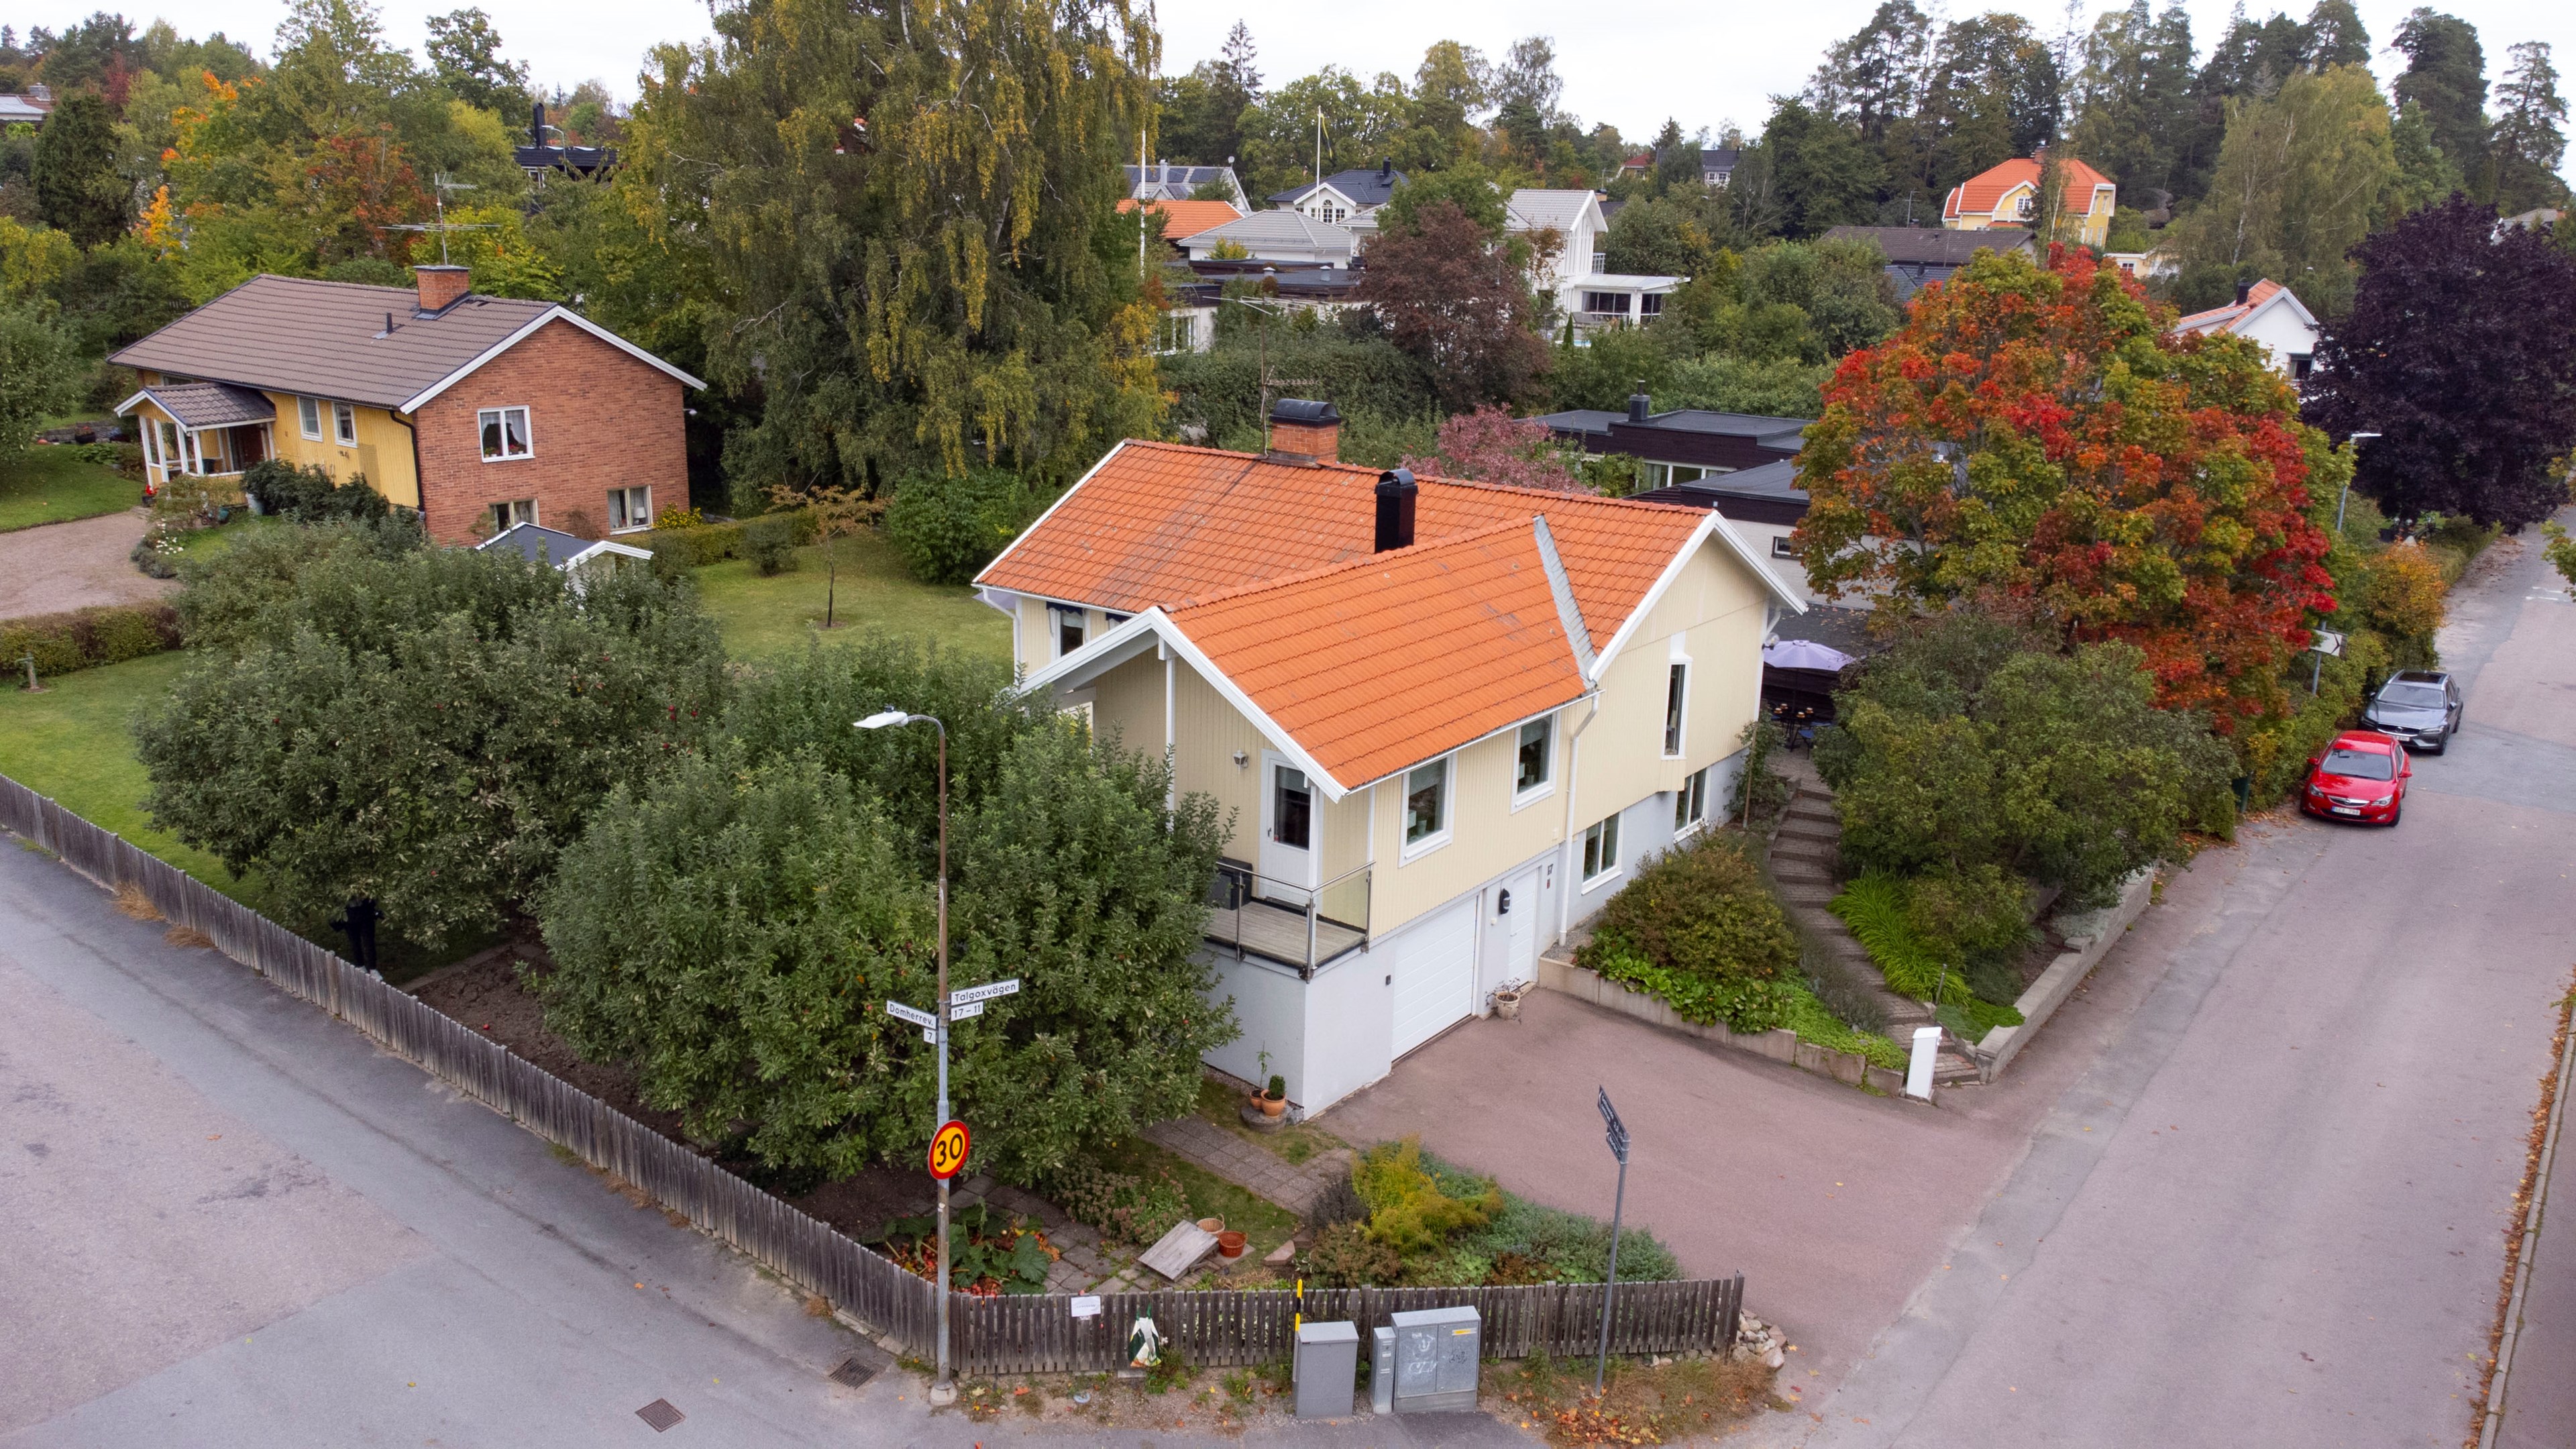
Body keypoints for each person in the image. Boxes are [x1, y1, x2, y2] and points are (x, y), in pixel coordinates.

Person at [329, 897, 382, 971]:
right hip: (349, 914)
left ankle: (373, 968)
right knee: (355, 942)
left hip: (365, 911)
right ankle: (360, 966)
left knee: (369, 941)